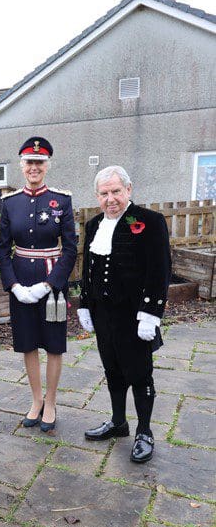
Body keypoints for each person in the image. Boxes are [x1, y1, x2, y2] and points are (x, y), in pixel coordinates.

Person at [79, 166, 171, 463]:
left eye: (116, 191)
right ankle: (119, 423)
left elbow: (159, 270)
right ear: (97, 196)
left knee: (140, 373)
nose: (110, 199)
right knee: (113, 371)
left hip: (135, 317)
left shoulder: (148, 221)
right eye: (104, 194)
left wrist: (151, 313)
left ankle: (145, 432)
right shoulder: (93, 225)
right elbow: (88, 268)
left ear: (128, 190)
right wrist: (84, 303)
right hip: (103, 315)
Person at [0, 136, 77, 432]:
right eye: (29, 162)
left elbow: (70, 249)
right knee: (27, 344)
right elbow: (3, 250)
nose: (34, 167)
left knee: (54, 346)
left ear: (47, 166)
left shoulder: (62, 200)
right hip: (21, 281)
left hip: (51, 282)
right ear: (21, 166)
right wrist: (14, 286)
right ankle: (35, 400)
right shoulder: (10, 202)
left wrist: (49, 284)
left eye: (39, 162)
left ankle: (52, 402)